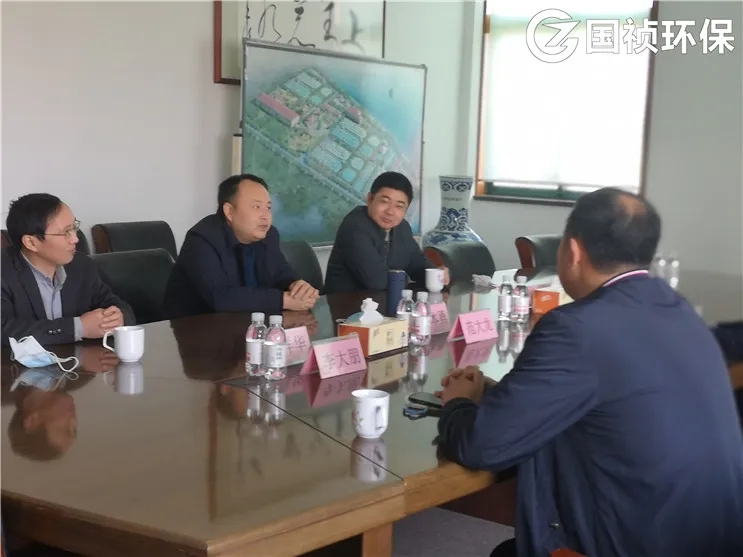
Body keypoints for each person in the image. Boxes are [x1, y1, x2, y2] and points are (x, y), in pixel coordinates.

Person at [435, 187, 743, 557]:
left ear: (573, 251)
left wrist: (459, 403)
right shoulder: (674, 307)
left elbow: (482, 446)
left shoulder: (574, 328)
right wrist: (503, 395)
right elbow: (613, 392)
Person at [163, 174, 318, 319]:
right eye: (256, 207)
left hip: (246, 324)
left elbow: (280, 273)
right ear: (229, 211)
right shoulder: (201, 240)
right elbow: (221, 297)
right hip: (195, 328)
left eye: (268, 208)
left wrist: (297, 287)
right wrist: (284, 300)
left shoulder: (269, 235)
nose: (265, 216)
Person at [1, 194, 134, 346]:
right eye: (66, 232)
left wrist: (118, 317)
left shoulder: (80, 265)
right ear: (31, 242)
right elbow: (4, 330)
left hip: (79, 359)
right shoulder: (4, 271)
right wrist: (78, 328)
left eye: (74, 228)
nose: (75, 239)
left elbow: (115, 304)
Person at [324, 171, 450, 294]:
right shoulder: (355, 226)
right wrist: (404, 278)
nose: (390, 212)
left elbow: (416, 264)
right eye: (384, 201)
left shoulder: (402, 228)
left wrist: (436, 273)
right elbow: (376, 281)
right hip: (345, 303)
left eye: (399, 206)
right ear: (370, 199)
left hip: (383, 303)